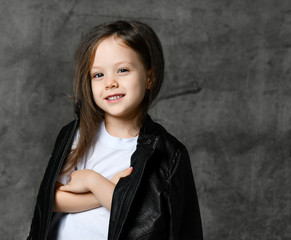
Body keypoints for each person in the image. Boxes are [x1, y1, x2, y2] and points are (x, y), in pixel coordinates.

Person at [27, 20, 203, 240]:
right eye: (98, 75)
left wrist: (94, 182)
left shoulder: (167, 154)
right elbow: (51, 199)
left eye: (122, 70)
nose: (110, 83)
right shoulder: (75, 135)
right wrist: (110, 191)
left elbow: (146, 218)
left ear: (149, 77)